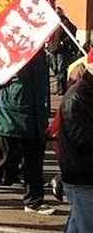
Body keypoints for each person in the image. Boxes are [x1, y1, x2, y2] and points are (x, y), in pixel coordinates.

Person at [0, 51, 55, 214]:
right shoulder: (9, 51)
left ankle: (33, 200)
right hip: (11, 116)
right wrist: (5, 103)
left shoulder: (40, 55)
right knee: (4, 158)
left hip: (36, 115)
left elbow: (44, 86)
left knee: (34, 160)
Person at [60, 50, 93, 232]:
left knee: (78, 224)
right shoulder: (77, 96)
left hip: (86, 174)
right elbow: (81, 139)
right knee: (85, 225)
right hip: (82, 175)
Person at [48, 8, 78, 95]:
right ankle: (58, 87)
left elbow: (71, 33)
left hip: (61, 49)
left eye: (57, 13)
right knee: (55, 68)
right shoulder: (53, 22)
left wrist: (63, 43)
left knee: (61, 69)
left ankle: (62, 89)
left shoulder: (65, 22)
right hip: (53, 48)